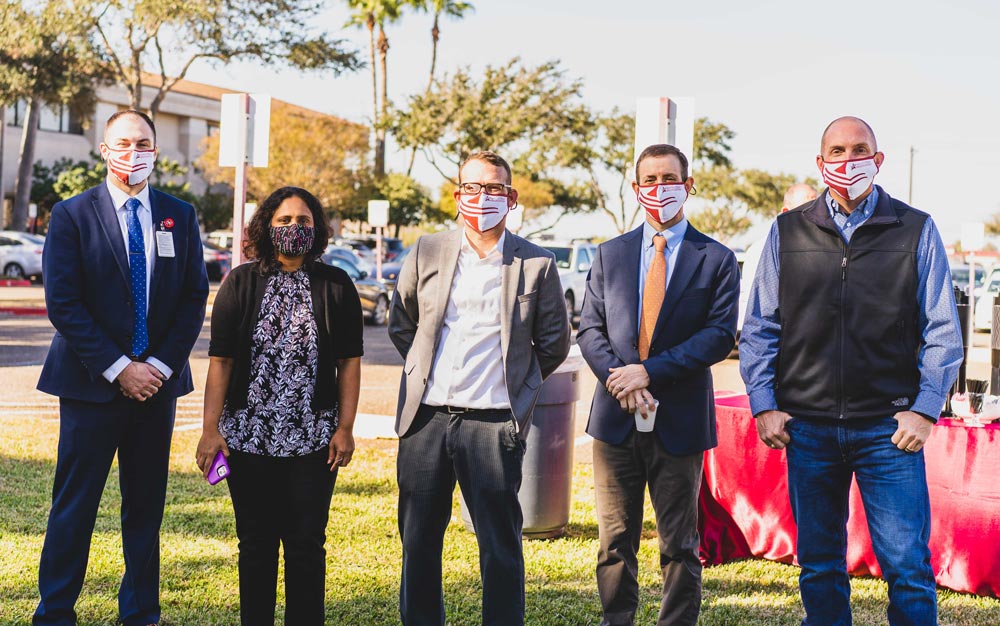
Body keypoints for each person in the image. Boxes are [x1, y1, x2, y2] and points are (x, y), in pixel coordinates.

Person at [740, 116, 963, 625]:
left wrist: (925, 409)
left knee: (907, 566)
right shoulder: (787, 231)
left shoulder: (915, 228)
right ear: (821, 164)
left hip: (889, 430)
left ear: (878, 160)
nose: (848, 160)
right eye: (836, 151)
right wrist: (765, 403)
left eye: (859, 149)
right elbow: (760, 327)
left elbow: (942, 330)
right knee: (819, 565)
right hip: (808, 428)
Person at [34, 110, 209, 626]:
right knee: (74, 506)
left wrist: (154, 365)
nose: (135, 152)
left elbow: (193, 298)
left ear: (157, 149)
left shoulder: (180, 214)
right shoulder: (71, 214)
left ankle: (141, 614)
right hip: (90, 387)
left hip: (156, 389)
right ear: (105, 149)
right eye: (125, 143)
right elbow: (63, 303)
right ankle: (56, 612)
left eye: (144, 143)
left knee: (145, 510)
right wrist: (118, 368)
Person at [388, 150, 570, 626]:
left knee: (499, 544)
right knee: (419, 540)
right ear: (457, 195)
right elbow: (402, 323)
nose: (482, 197)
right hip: (426, 419)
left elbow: (552, 345)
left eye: (493, 189)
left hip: (493, 423)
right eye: (472, 187)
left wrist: (517, 391)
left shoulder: (538, 264)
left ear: (510, 198)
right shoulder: (428, 249)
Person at [577, 143, 740, 626]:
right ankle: (617, 620)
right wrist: (622, 382)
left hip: (680, 421)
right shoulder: (609, 255)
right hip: (615, 419)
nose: (658, 188)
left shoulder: (716, 258)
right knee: (613, 542)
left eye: (669, 179)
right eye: (649, 180)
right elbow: (590, 329)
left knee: (680, 545)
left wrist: (650, 372)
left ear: (688, 186)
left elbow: (717, 336)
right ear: (635, 188)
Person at [195, 186, 363, 626]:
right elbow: (221, 362)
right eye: (284, 221)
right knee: (255, 543)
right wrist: (210, 429)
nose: (294, 228)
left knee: (307, 544)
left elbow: (349, 363)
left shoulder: (335, 284)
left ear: (318, 229)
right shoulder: (240, 282)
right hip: (247, 438)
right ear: (266, 227)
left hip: (313, 440)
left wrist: (344, 428)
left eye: (303, 221)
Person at [737, 183, 817, 330]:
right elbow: (759, 313)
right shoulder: (761, 249)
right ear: (786, 211)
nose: (814, 212)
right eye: (806, 206)